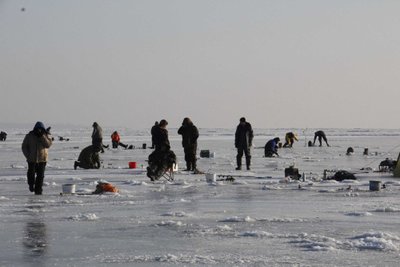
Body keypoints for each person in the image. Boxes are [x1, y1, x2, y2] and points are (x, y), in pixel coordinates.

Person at [21, 121, 53, 195]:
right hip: (32, 159)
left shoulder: (46, 135)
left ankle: (38, 190)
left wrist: (42, 136)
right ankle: (31, 185)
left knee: (40, 176)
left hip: (42, 160)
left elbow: (48, 145)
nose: (39, 130)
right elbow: (24, 146)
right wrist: (28, 155)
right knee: (31, 174)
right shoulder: (30, 136)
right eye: (37, 129)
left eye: (41, 129)